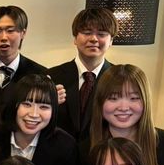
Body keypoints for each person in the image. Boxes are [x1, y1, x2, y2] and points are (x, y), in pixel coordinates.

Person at [47, 8, 116, 139]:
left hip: (103, 149)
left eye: (101, 34)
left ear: (111, 40)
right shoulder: (52, 76)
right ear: (75, 38)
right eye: (87, 33)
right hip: (60, 149)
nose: (94, 39)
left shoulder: (119, 79)